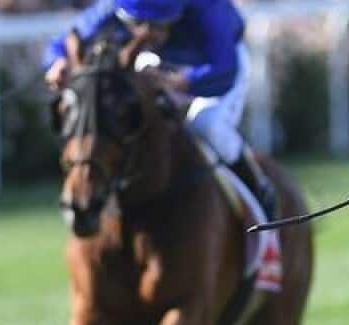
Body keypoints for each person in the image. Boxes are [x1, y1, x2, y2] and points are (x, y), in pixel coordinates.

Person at [43, 0, 280, 218]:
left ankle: (257, 185)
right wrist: (58, 62)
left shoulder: (206, 8)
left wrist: (182, 83)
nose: (147, 33)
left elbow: (225, 70)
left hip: (212, 67)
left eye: (158, 24)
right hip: (158, 64)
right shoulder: (113, 7)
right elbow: (64, 41)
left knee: (206, 124)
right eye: (138, 23)